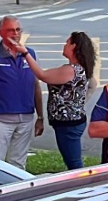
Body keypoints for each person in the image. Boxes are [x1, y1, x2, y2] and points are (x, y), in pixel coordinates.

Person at [23, 31, 97, 169]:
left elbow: (42, 75)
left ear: (74, 46)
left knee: (74, 163)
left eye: (67, 42)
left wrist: (25, 53)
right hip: (68, 123)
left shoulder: (71, 70)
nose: (64, 45)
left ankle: (83, 186)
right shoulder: (72, 69)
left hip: (69, 124)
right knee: (72, 160)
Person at [0, 16, 44, 169]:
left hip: (26, 118)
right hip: (1, 120)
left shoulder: (29, 54)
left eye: (18, 30)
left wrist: (40, 116)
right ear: (1, 33)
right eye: (10, 30)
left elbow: (36, 85)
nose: (15, 34)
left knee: (18, 163)